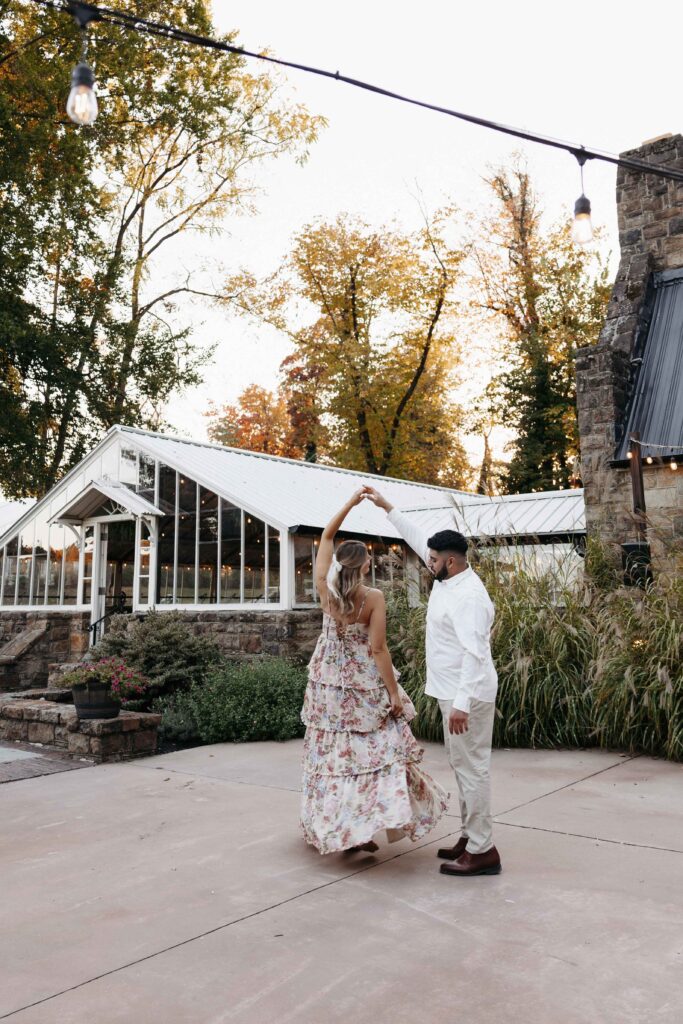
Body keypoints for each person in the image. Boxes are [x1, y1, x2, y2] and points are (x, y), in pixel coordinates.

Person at [362, 486, 501, 877]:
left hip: (466, 695)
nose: (428, 561)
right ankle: (469, 836)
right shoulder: (448, 575)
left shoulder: (468, 598)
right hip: (450, 691)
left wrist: (461, 702)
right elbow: (417, 535)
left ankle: (483, 850)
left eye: (434, 559)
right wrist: (387, 506)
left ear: (452, 562)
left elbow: (476, 654)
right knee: (462, 766)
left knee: (473, 768)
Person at [300, 489, 449, 855]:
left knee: (335, 756)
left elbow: (326, 537)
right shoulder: (373, 599)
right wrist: (394, 694)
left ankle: (344, 827)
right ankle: (362, 828)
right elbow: (378, 648)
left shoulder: (325, 590)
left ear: (339, 564)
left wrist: (349, 504)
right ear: (365, 565)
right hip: (362, 684)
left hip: (328, 685)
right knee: (372, 754)